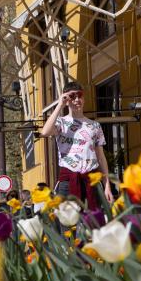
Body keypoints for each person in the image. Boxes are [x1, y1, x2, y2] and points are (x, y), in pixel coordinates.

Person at [39, 81, 114, 209]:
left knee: (94, 223)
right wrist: (59, 104)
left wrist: (107, 185)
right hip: (67, 181)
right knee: (68, 223)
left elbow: (101, 157)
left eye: (80, 96)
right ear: (67, 100)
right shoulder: (61, 123)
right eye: (72, 97)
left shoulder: (94, 126)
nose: (77, 100)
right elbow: (45, 132)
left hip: (92, 180)